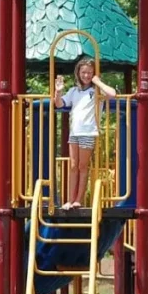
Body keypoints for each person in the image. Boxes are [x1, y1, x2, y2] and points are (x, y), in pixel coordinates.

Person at [54, 56, 117, 210]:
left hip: (88, 132)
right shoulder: (74, 91)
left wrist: (97, 81)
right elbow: (59, 104)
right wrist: (58, 91)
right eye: (84, 72)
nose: (86, 75)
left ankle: (78, 200)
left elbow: (112, 94)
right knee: (73, 165)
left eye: (90, 72)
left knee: (83, 166)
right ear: (78, 73)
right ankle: (69, 200)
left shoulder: (96, 91)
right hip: (74, 132)